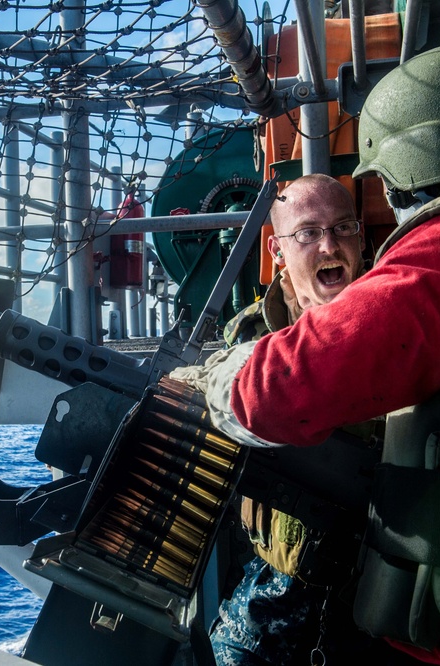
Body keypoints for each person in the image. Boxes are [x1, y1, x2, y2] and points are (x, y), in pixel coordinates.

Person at [174, 40, 440, 666]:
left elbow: (275, 391)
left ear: (423, 156)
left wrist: (214, 377)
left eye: (346, 224)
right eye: (308, 234)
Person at [180, 174, 415, 666]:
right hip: (278, 589)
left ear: (361, 238)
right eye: (308, 233)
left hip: (386, 587)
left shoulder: (401, 319)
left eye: (343, 228)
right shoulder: (248, 331)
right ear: (278, 248)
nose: (329, 245)